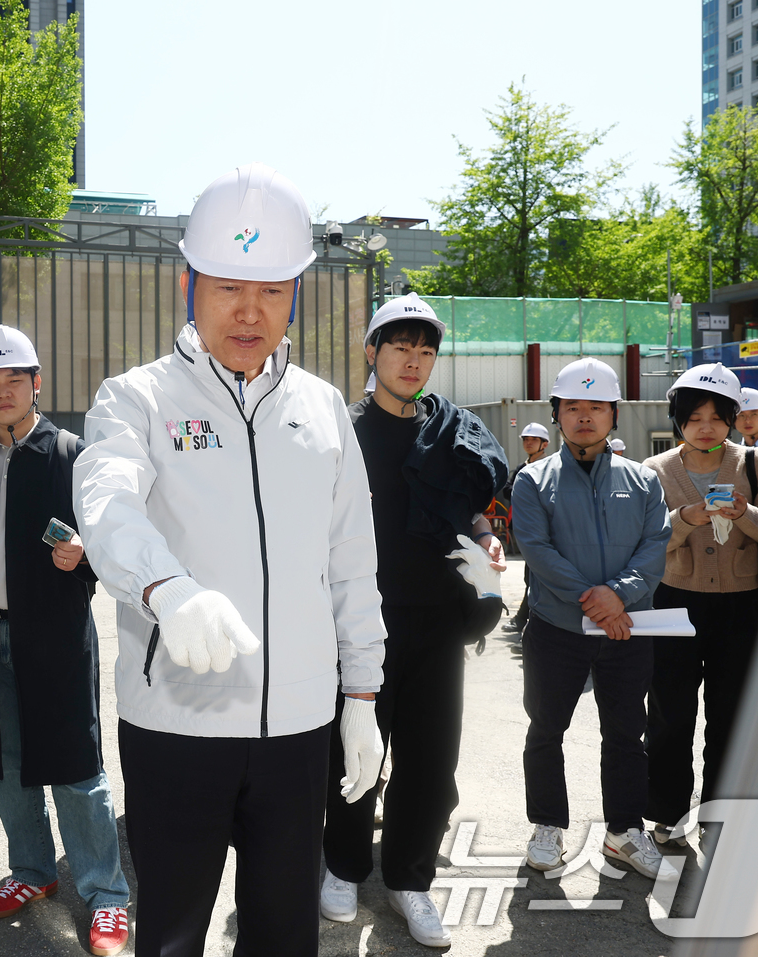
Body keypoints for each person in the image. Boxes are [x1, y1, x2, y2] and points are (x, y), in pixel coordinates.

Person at [75, 163, 388, 957]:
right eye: (228, 288)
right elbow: (106, 502)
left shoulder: (322, 408)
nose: (251, 311)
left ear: (295, 294)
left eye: (273, 290)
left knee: (284, 933)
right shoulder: (137, 398)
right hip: (177, 719)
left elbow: (351, 558)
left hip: (300, 726)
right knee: (173, 930)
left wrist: (362, 693)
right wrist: (167, 588)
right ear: (190, 285)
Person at [0, 324, 132, 957]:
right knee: (5, 762)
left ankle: (105, 893)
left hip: (55, 635)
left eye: (15, 379)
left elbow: (112, 540)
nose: (4, 392)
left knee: (75, 766)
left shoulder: (70, 456)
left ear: (37, 383)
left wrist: (86, 555)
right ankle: (34, 870)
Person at [318, 293, 507, 948]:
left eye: (425, 350)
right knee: (352, 751)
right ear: (372, 351)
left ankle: (409, 878)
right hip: (359, 620)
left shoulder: (452, 431)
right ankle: (343, 865)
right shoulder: (341, 429)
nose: (413, 360)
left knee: (431, 760)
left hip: (438, 618)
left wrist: (486, 539)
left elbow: (469, 508)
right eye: (400, 346)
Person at [511, 357, 671, 880]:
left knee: (626, 732)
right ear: (556, 414)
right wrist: (593, 599)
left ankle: (624, 831)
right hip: (557, 628)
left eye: (596, 407)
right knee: (546, 729)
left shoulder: (642, 480)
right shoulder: (533, 480)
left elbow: (655, 545)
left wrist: (618, 596)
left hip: (627, 629)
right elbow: (536, 549)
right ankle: (547, 826)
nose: (584, 416)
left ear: (613, 415)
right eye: (573, 407)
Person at [642, 364, 758, 848]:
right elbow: (647, 544)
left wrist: (745, 513)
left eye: (717, 417)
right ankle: (667, 815)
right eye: (694, 417)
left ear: (733, 418)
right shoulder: (653, 471)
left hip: (741, 605)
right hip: (673, 602)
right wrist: (686, 517)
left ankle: (721, 815)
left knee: (731, 715)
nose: (706, 427)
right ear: (677, 418)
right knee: (669, 715)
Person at [501, 423, 551, 635]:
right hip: (523, 528)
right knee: (530, 576)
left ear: (544, 444)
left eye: (533, 440)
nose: (528, 443)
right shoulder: (522, 467)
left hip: (541, 530)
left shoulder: (548, 467)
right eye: (526, 439)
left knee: (534, 576)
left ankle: (524, 619)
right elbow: (507, 491)